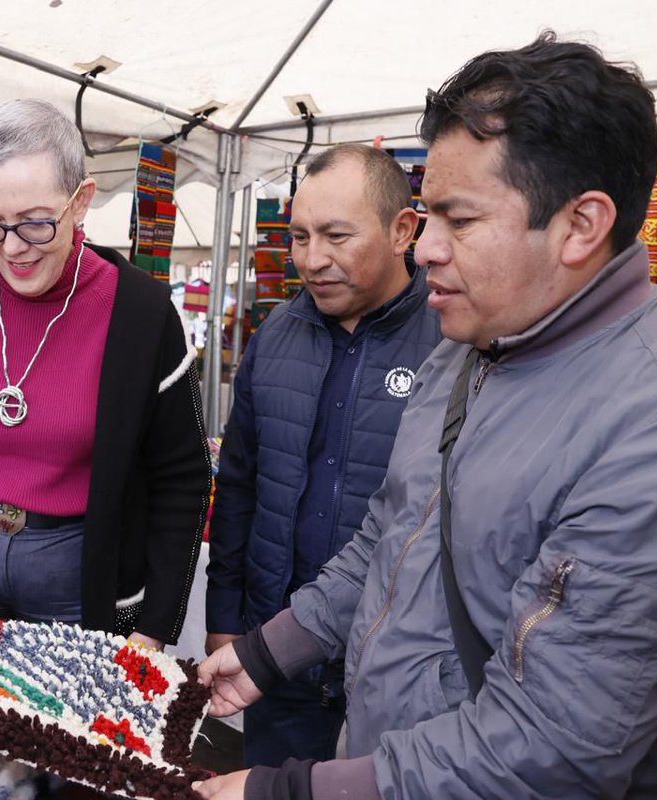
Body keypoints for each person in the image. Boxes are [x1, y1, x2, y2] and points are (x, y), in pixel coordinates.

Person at [195, 33, 657, 799]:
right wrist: (267, 654)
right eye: (428, 217)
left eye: (461, 220)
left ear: (581, 225)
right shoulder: (470, 345)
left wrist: (290, 792)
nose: (425, 251)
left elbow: (549, 750)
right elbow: (388, 534)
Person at [0, 99, 210, 650]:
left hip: (87, 589)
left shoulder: (142, 315)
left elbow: (183, 478)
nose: (12, 249)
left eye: (35, 223)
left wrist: (155, 626)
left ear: (81, 201)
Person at [205, 143, 441, 767]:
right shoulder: (274, 337)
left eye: (337, 236)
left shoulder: (452, 345)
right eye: (300, 237)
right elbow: (239, 488)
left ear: (403, 230)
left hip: (394, 669)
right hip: (276, 659)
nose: (313, 259)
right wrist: (226, 614)